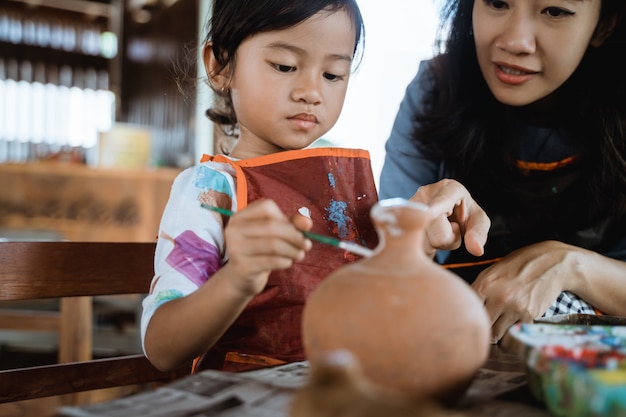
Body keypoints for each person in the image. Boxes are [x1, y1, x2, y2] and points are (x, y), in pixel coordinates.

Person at [140, 0, 383, 374]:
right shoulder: (212, 190)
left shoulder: (342, 186)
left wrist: (419, 241)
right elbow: (161, 347)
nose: (311, 91)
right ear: (220, 67)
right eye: (285, 66)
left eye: (333, 74)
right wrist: (238, 278)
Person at [379, 0, 626, 344]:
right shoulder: (436, 90)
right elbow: (378, 270)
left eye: (555, 11)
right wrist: (411, 235)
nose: (515, 42)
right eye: (497, 3)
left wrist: (568, 264)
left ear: (605, 24)